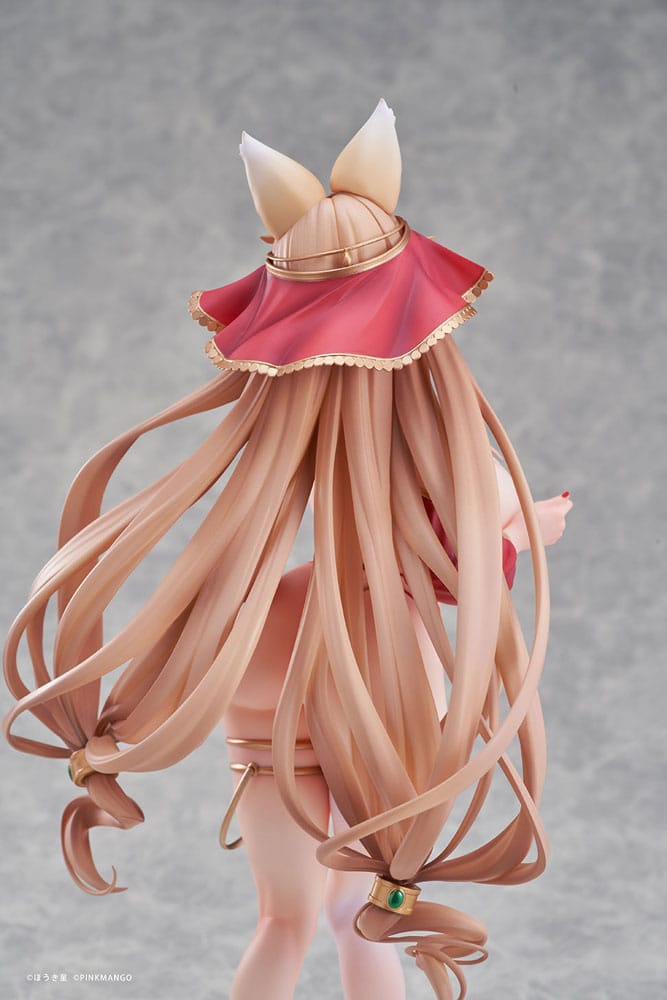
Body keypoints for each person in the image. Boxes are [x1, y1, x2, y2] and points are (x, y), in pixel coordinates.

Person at [3, 100, 572, 1000]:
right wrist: (518, 524)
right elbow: (477, 554)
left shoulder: (258, 583)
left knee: (287, 920)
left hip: (271, 685)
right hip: (374, 695)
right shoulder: (464, 481)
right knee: (358, 918)